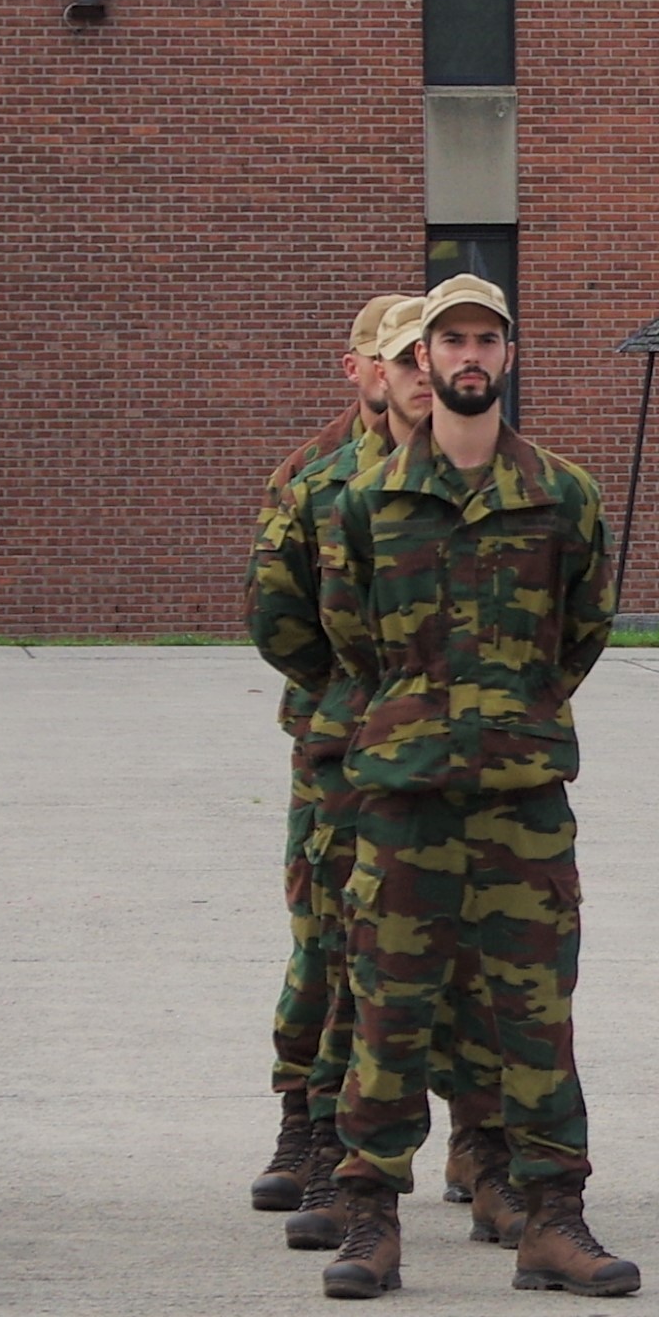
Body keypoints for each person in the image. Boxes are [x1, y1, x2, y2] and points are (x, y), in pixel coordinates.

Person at [293, 274, 627, 1301]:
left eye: (486, 339)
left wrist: (510, 712)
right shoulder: (366, 500)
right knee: (387, 1007)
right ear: (425, 361)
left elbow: (580, 632)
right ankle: (369, 1219)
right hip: (403, 794)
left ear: (507, 355)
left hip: (522, 795)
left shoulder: (562, 495)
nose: (469, 357)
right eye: (452, 342)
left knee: (534, 1012)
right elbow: (346, 637)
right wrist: (422, 717)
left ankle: (552, 1220)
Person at [243, 293, 417, 1244]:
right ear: (363, 369)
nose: (417, 374)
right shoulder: (313, 480)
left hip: (447, 753)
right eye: (395, 358)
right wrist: (355, 693)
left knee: (456, 958)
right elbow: (279, 618)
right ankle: (310, 1126)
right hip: (341, 745)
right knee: (330, 941)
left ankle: (480, 1149)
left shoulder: (491, 468)